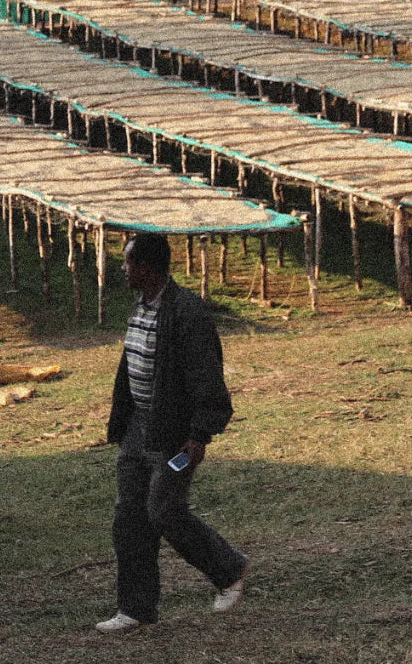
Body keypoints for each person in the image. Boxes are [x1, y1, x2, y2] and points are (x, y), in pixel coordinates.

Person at [96, 234, 247, 634]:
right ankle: (136, 609)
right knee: (129, 519)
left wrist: (200, 435)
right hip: (138, 430)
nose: (123, 269)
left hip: (174, 436)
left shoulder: (187, 312)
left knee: (164, 510)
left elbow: (206, 375)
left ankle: (229, 570)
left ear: (147, 267)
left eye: (128, 262)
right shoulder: (143, 304)